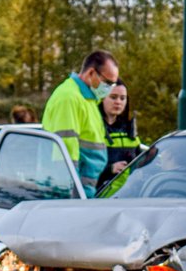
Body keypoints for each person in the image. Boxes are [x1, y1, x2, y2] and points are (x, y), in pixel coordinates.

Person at [43, 50, 117, 196]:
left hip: (84, 193)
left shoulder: (88, 100)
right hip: (71, 197)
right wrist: (74, 202)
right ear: (91, 73)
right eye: (108, 82)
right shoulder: (69, 98)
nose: (109, 89)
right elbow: (65, 158)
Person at [98, 81, 141, 188]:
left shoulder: (129, 129)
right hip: (100, 196)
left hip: (129, 195)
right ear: (102, 98)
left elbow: (140, 159)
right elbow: (85, 166)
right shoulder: (93, 127)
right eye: (113, 97)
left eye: (122, 98)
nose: (118, 102)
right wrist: (110, 169)